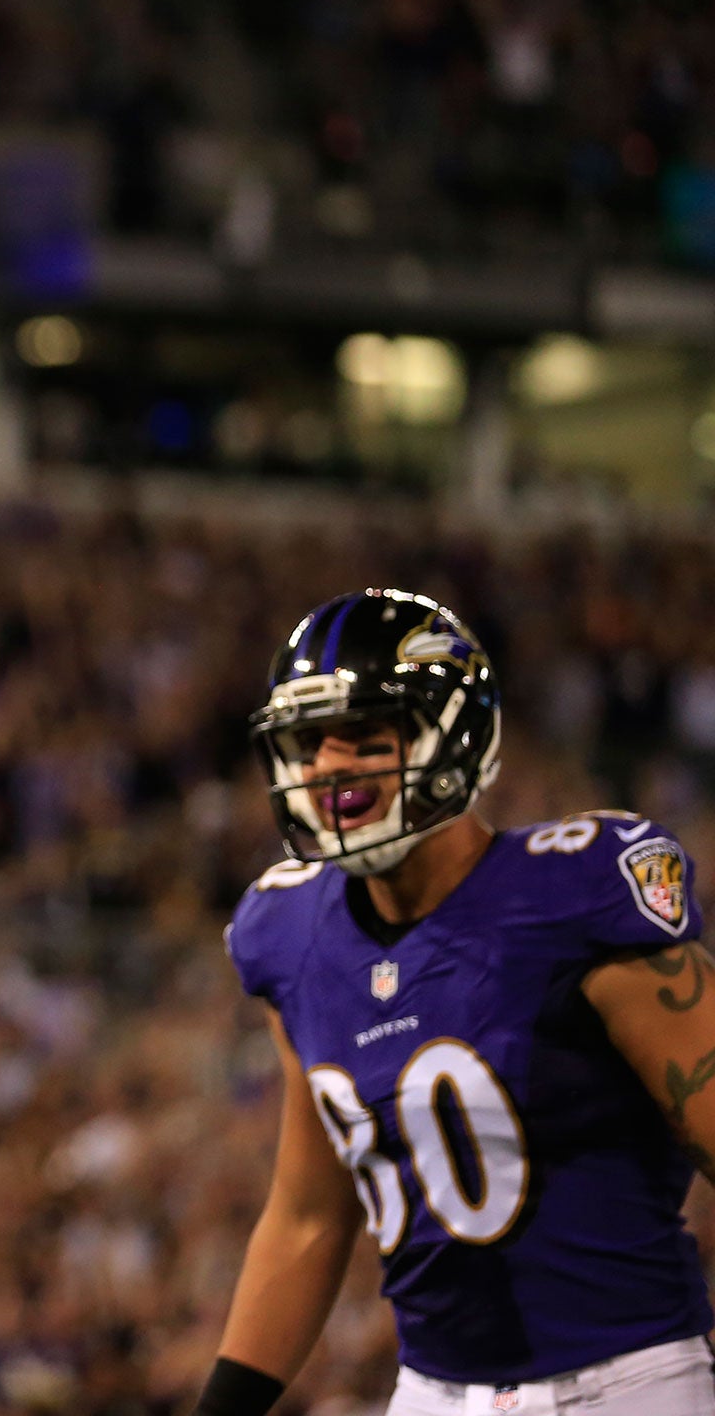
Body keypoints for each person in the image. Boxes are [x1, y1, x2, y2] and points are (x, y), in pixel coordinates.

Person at [196, 588, 715, 1416]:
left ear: (452, 740)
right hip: (431, 1391)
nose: (331, 768)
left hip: (628, 1379)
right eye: (309, 744)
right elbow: (307, 1218)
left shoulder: (571, 897)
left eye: (366, 739)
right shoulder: (288, 936)